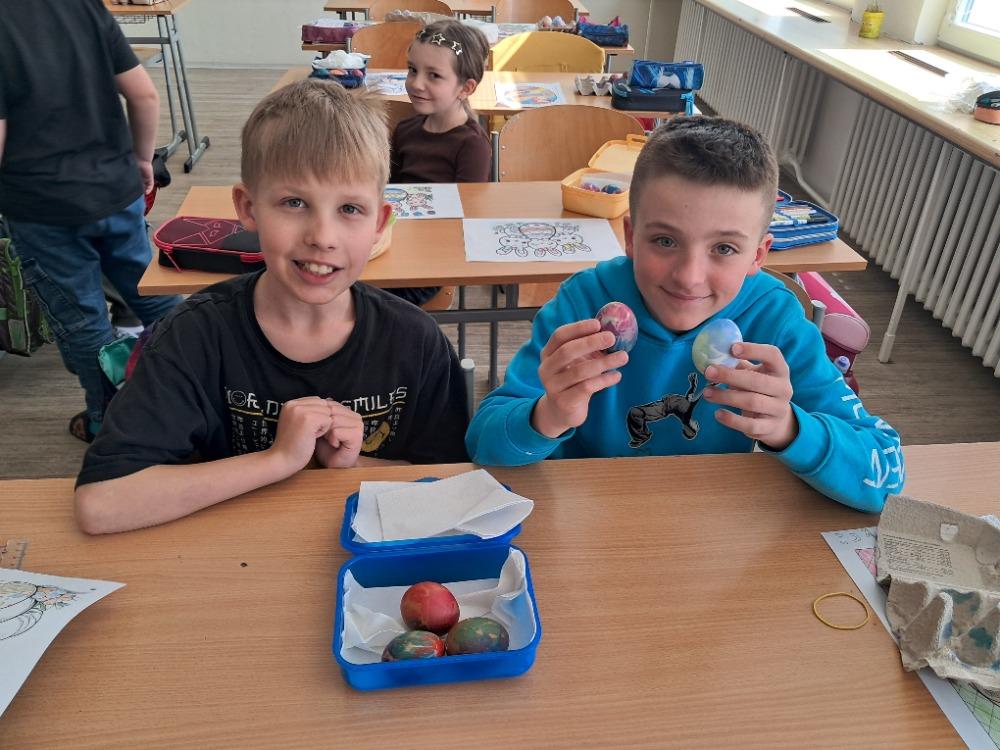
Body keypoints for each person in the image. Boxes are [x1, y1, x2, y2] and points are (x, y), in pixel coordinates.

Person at [75, 79, 470, 534]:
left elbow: (452, 488)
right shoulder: (193, 336)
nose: (322, 237)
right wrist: (279, 459)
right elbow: (100, 504)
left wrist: (351, 464)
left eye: (349, 209)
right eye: (294, 202)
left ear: (379, 223)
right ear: (248, 208)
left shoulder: (415, 341)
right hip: (234, 555)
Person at [465, 116, 903, 513]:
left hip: (706, 526)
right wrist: (548, 414)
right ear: (631, 236)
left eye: (724, 248)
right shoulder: (583, 304)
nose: (689, 278)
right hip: (586, 518)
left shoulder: (775, 321)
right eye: (665, 241)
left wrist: (791, 428)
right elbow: (483, 444)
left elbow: (886, 476)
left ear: (758, 254)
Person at [0, 0, 182, 443]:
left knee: (84, 321)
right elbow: (144, 95)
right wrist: (143, 159)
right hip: (116, 190)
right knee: (153, 293)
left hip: (43, 209)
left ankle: (107, 418)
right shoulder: (83, 6)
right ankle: (196, 384)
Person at [388, 19, 491, 306]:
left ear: (465, 88)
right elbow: (389, 192)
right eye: (413, 70)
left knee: (369, 303)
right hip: (395, 245)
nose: (416, 83)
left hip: (433, 261)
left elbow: (466, 219)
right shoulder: (405, 130)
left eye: (433, 75)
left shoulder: (472, 145)